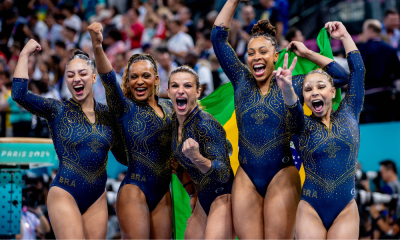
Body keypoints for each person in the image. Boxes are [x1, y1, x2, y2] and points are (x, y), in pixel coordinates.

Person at [212, 1, 350, 238]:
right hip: (246, 175)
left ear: (276, 56)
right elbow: (218, 37)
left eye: (263, 52)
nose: (256, 57)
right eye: (251, 53)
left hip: (281, 174)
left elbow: (341, 77)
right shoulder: (241, 81)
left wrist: (307, 53)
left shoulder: (294, 84)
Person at [11, 39, 127, 239]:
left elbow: (123, 156)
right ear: (66, 80)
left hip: (97, 197)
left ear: (93, 77)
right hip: (65, 192)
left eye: (82, 74)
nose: (76, 79)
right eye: (70, 75)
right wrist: (24, 54)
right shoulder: (57, 110)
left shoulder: (107, 115)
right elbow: (19, 94)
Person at [277, 21, 363, 238]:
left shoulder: (349, 112)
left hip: (345, 209)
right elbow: (292, 107)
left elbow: (357, 72)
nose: (314, 92)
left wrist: (344, 36)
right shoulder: (301, 125)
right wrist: (287, 89)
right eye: (308, 89)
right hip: (311, 208)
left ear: (333, 92)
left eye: (321, 87)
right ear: (303, 97)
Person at [88, 22, 174, 239]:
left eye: (145, 76)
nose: (139, 81)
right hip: (134, 190)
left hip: (163, 193)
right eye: (133, 77)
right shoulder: (125, 108)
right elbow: (108, 80)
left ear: (156, 79)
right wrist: (97, 46)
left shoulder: (171, 108)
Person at [168, 66, 235, 239]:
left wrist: (197, 158)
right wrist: (191, 194)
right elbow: (180, 167)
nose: (180, 90)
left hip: (224, 197)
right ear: (168, 92)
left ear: (198, 92)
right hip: (202, 198)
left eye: (187, 86)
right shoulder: (173, 124)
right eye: (175, 86)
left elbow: (222, 174)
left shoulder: (206, 124)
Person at [358, 19, 400, 123]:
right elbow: (397, 73)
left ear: (370, 30)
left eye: (364, 30)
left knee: (372, 125)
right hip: (386, 93)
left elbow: (359, 72)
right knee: (387, 123)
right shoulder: (390, 49)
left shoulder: (363, 49)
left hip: (369, 94)